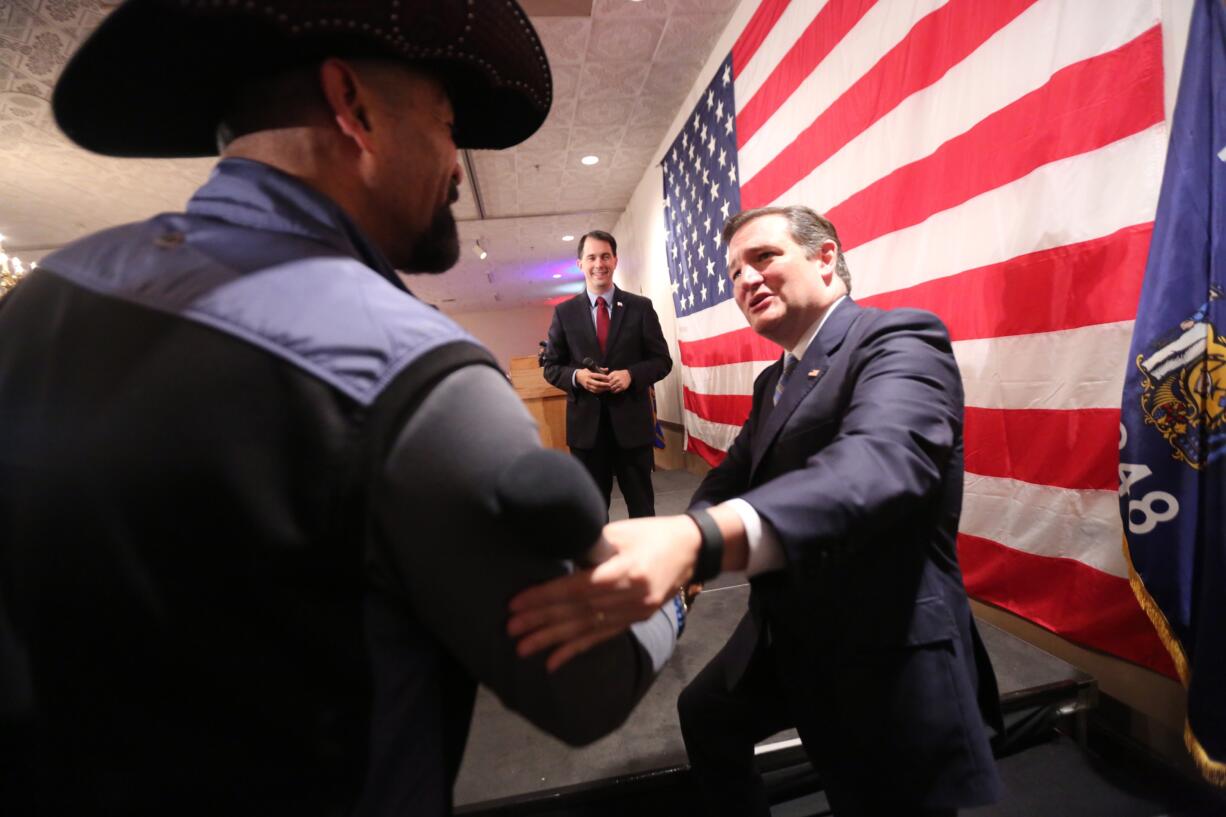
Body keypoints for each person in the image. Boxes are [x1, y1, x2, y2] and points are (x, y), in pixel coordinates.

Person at [0, 2, 680, 815]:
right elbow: (584, 686)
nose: (456, 165)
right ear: (353, 108)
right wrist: (674, 577)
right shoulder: (411, 368)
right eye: (446, 123)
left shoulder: (40, 299)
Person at [509, 206, 1003, 816]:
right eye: (734, 270)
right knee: (707, 716)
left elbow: (880, 467)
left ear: (826, 259)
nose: (745, 279)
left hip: (879, 639)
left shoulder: (898, 338)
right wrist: (682, 560)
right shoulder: (775, 381)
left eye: (764, 257)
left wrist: (701, 542)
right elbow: (729, 477)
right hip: (786, 625)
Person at [543, 231, 672, 518]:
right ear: (580, 264)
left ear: (615, 260)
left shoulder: (640, 307)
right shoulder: (564, 313)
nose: (598, 263)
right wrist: (578, 377)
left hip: (632, 427)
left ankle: (645, 563)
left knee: (642, 508)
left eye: (605, 256)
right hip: (586, 432)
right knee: (590, 512)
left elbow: (662, 361)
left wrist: (631, 375)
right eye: (591, 257)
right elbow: (551, 367)